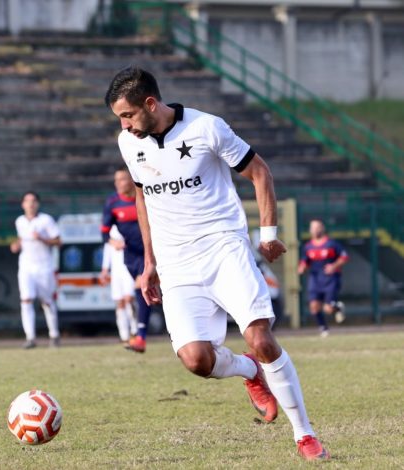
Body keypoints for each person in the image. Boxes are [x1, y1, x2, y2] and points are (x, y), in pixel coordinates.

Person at [105, 67, 328, 460]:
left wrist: (268, 234)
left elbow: (260, 172)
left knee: (261, 339)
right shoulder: (129, 142)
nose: (124, 125)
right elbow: (144, 199)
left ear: (150, 104)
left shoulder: (207, 128)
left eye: (127, 115)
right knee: (196, 360)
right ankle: (248, 372)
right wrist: (150, 262)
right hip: (176, 263)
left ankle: (304, 434)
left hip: (224, 248)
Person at [100, 168, 152, 352]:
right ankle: (140, 335)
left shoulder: (147, 195)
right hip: (132, 255)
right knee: (146, 292)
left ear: (132, 179)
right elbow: (104, 233)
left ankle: (141, 337)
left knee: (141, 287)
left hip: (154, 250)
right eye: (117, 180)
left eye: (122, 178)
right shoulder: (113, 203)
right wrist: (113, 241)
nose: (119, 183)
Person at [10, 192, 61, 349]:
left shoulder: (46, 220)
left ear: (37, 204)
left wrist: (42, 238)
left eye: (33, 201)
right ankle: (30, 338)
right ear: (22, 204)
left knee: (47, 302)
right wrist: (16, 244)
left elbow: (58, 241)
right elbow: (21, 238)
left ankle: (54, 335)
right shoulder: (20, 221)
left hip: (44, 266)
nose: (30, 204)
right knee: (26, 300)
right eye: (27, 201)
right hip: (26, 266)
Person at [298, 219, 348, 336]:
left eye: (317, 227)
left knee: (328, 309)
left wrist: (334, 266)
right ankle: (324, 328)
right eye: (313, 228)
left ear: (322, 228)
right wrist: (302, 268)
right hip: (315, 280)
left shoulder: (332, 244)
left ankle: (337, 308)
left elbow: (344, 257)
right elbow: (305, 261)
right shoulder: (308, 247)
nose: (315, 230)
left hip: (330, 279)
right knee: (314, 306)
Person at [98, 224, 137, 346]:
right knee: (119, 302)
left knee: (129, 299)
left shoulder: (129, 224)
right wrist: (105, 269)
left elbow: (136, 242)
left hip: (129, 268)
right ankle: (124, 335)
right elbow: (108, 248)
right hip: (116, 271)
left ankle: (135, 330)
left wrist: (123, 244)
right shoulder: (110, 229)